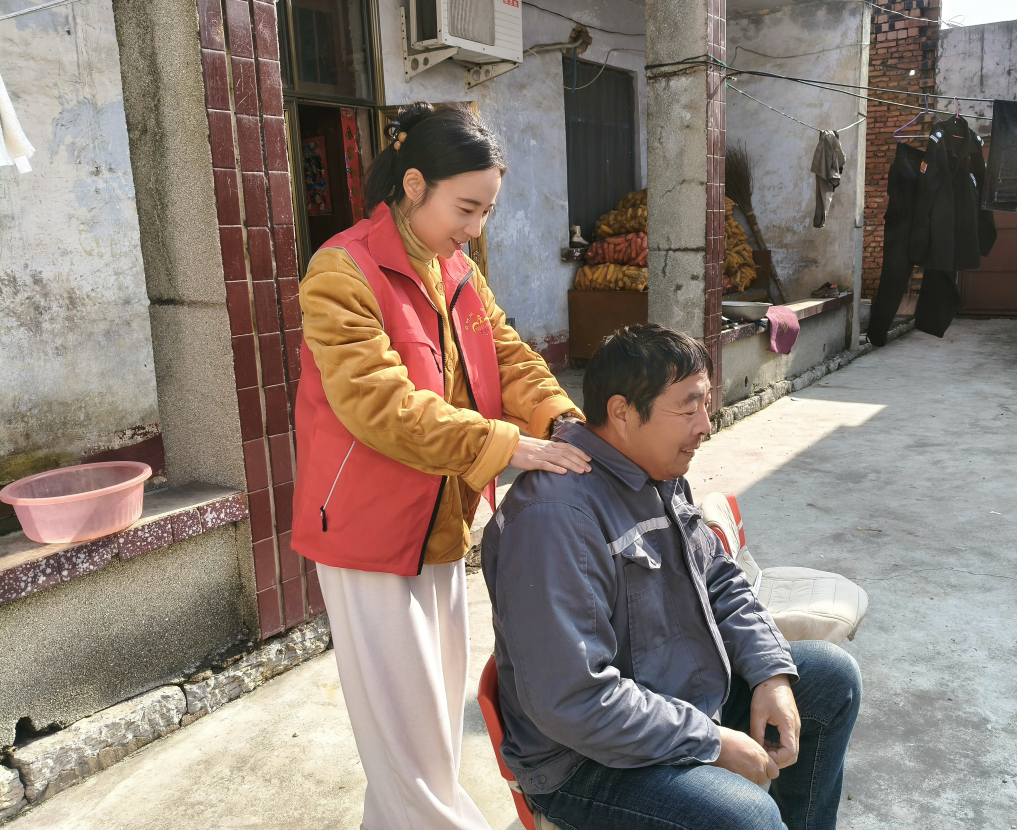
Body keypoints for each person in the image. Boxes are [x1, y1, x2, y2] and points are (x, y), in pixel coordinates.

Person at [291, 101, 591, 830]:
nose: (475, 229)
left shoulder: (456, 270)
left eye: (486, 212)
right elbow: (379, 403)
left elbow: (509, 354)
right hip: (368, 534)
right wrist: (507, 446)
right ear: (414, 184)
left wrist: (563, 421)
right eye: (466, 209)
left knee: (424, 741)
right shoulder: (341, 271)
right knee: (414, 755)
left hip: (441, 523)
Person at [481, 324, 862, 830]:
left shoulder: (656, 472)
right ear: (621, 412)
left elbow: (720, 579)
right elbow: (572, 700)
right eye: (688, 408)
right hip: (584, 759)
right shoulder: (553, 518)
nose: (706, 424)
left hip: (675, 699)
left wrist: (769, 673)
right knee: (747, 817)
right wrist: (712, 742)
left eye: (706, 403)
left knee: (832, 679)